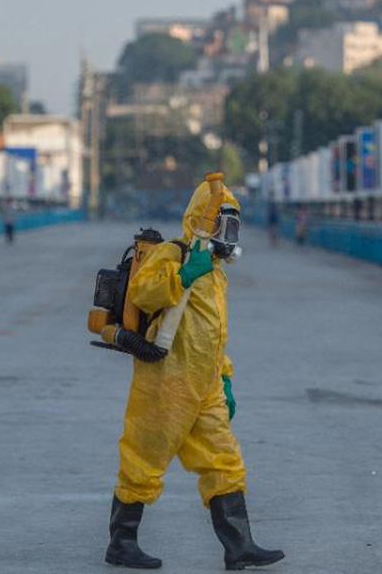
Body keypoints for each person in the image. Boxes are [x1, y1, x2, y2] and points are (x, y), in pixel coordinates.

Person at [105, 174, 284, 571]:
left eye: (231, 225)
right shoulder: (175, 253)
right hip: (165, 382)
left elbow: (213, 332)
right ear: (202, 217)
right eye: (222, 222)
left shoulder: (216, 272)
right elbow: (144, 293)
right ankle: (121, 542)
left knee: (224, 462)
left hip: (206, 387)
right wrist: (184, 274)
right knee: (143, 459)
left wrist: (225, 378)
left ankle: (239, 546)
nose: (227, 233)